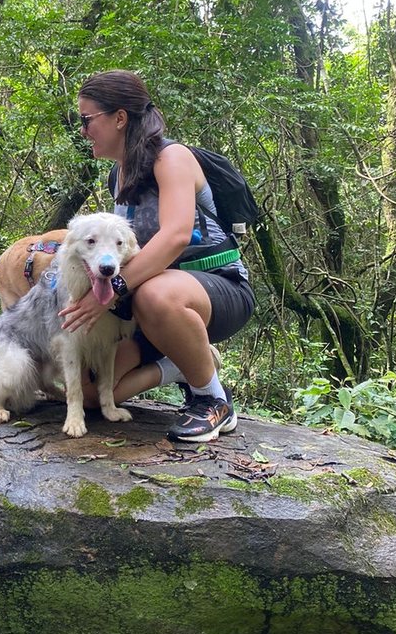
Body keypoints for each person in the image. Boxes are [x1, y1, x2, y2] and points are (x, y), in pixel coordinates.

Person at [60, 71, 255, 443]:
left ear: (119, 118)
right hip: (148, 312)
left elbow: (176, 235)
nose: (83, 131)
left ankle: (212, 400)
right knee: (92, 393)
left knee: (156, 294)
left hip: (217, 290)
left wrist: (114, 289)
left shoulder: (172, 158)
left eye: (87, 120)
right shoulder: (118, 176)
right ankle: (180, 367)